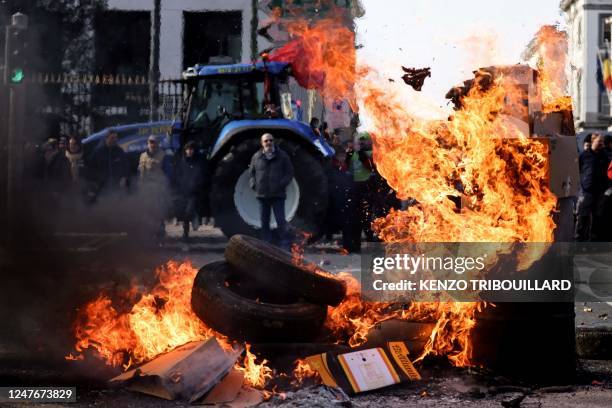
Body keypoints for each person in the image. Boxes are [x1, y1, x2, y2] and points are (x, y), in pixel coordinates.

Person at [249, 133, 294, 248]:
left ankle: (285, 246)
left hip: (278, 195)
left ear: (274, 141)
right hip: (262, 195)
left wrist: (281, 184)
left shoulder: (282, 156)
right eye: (266, 141)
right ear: (262, 143)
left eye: (270, 140)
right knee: (264, 222)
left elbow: (289, 173)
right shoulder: (256, 156)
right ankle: (266, 245)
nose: (268, 143)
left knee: (280, 221)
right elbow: (251, 173)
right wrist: (254, 184)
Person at [575, 133, 609, 241]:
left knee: (597, 219)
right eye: (599, 142)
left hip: (600, 194)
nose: (602, 144)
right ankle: (579, 241)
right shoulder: (584, 155)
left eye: (602, 142)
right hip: (586, 193)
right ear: (593, 141)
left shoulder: (605, 156)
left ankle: (594, 242)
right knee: (582, 218)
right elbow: (577, 170)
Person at [138, 135, 171, 238]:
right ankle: (149, 234)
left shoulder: (163, 155)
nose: (152, 144)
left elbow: (168, 173)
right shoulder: (142, 156)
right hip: (145, 189)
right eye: (151, 142)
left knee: (158, 212)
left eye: (154, 142)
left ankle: (160, 235)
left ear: (157, 144)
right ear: (147, 143)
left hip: (158, 188)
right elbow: (139, 171)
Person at [346, 135, 375, 245]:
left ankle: (370, 240)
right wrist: (348, 156)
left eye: (364, 140)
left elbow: (371, 168)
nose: (362, 143)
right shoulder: (354, 154)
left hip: (367, 187)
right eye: (360, 140)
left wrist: (363, 157)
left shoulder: (371, 153)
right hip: (355, 187)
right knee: (355, 217)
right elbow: (348, 168)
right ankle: (355, 242)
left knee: (366, 217)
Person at [175, 141, 204, 241]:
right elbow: (178, 175)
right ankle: (185, 232)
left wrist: (197, 185)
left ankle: (195, 218)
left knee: (188, 211)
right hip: (184, 192)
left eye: (191, 149)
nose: (189, 151)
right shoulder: (183, 162)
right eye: (187, 149)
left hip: (194, 193)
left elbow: (201, 175)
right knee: (183, 213)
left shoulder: (198, 162)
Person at [87, 130, 129, 198]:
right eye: (112, 138)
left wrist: (124, 177)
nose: (115, 140)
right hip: (101, 188)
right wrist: (95, 183)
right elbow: (90, 169)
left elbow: (126, 166)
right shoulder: (98, 152)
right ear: (106, 138)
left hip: (117, 187)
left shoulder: (119, 151)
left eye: (116, 138)